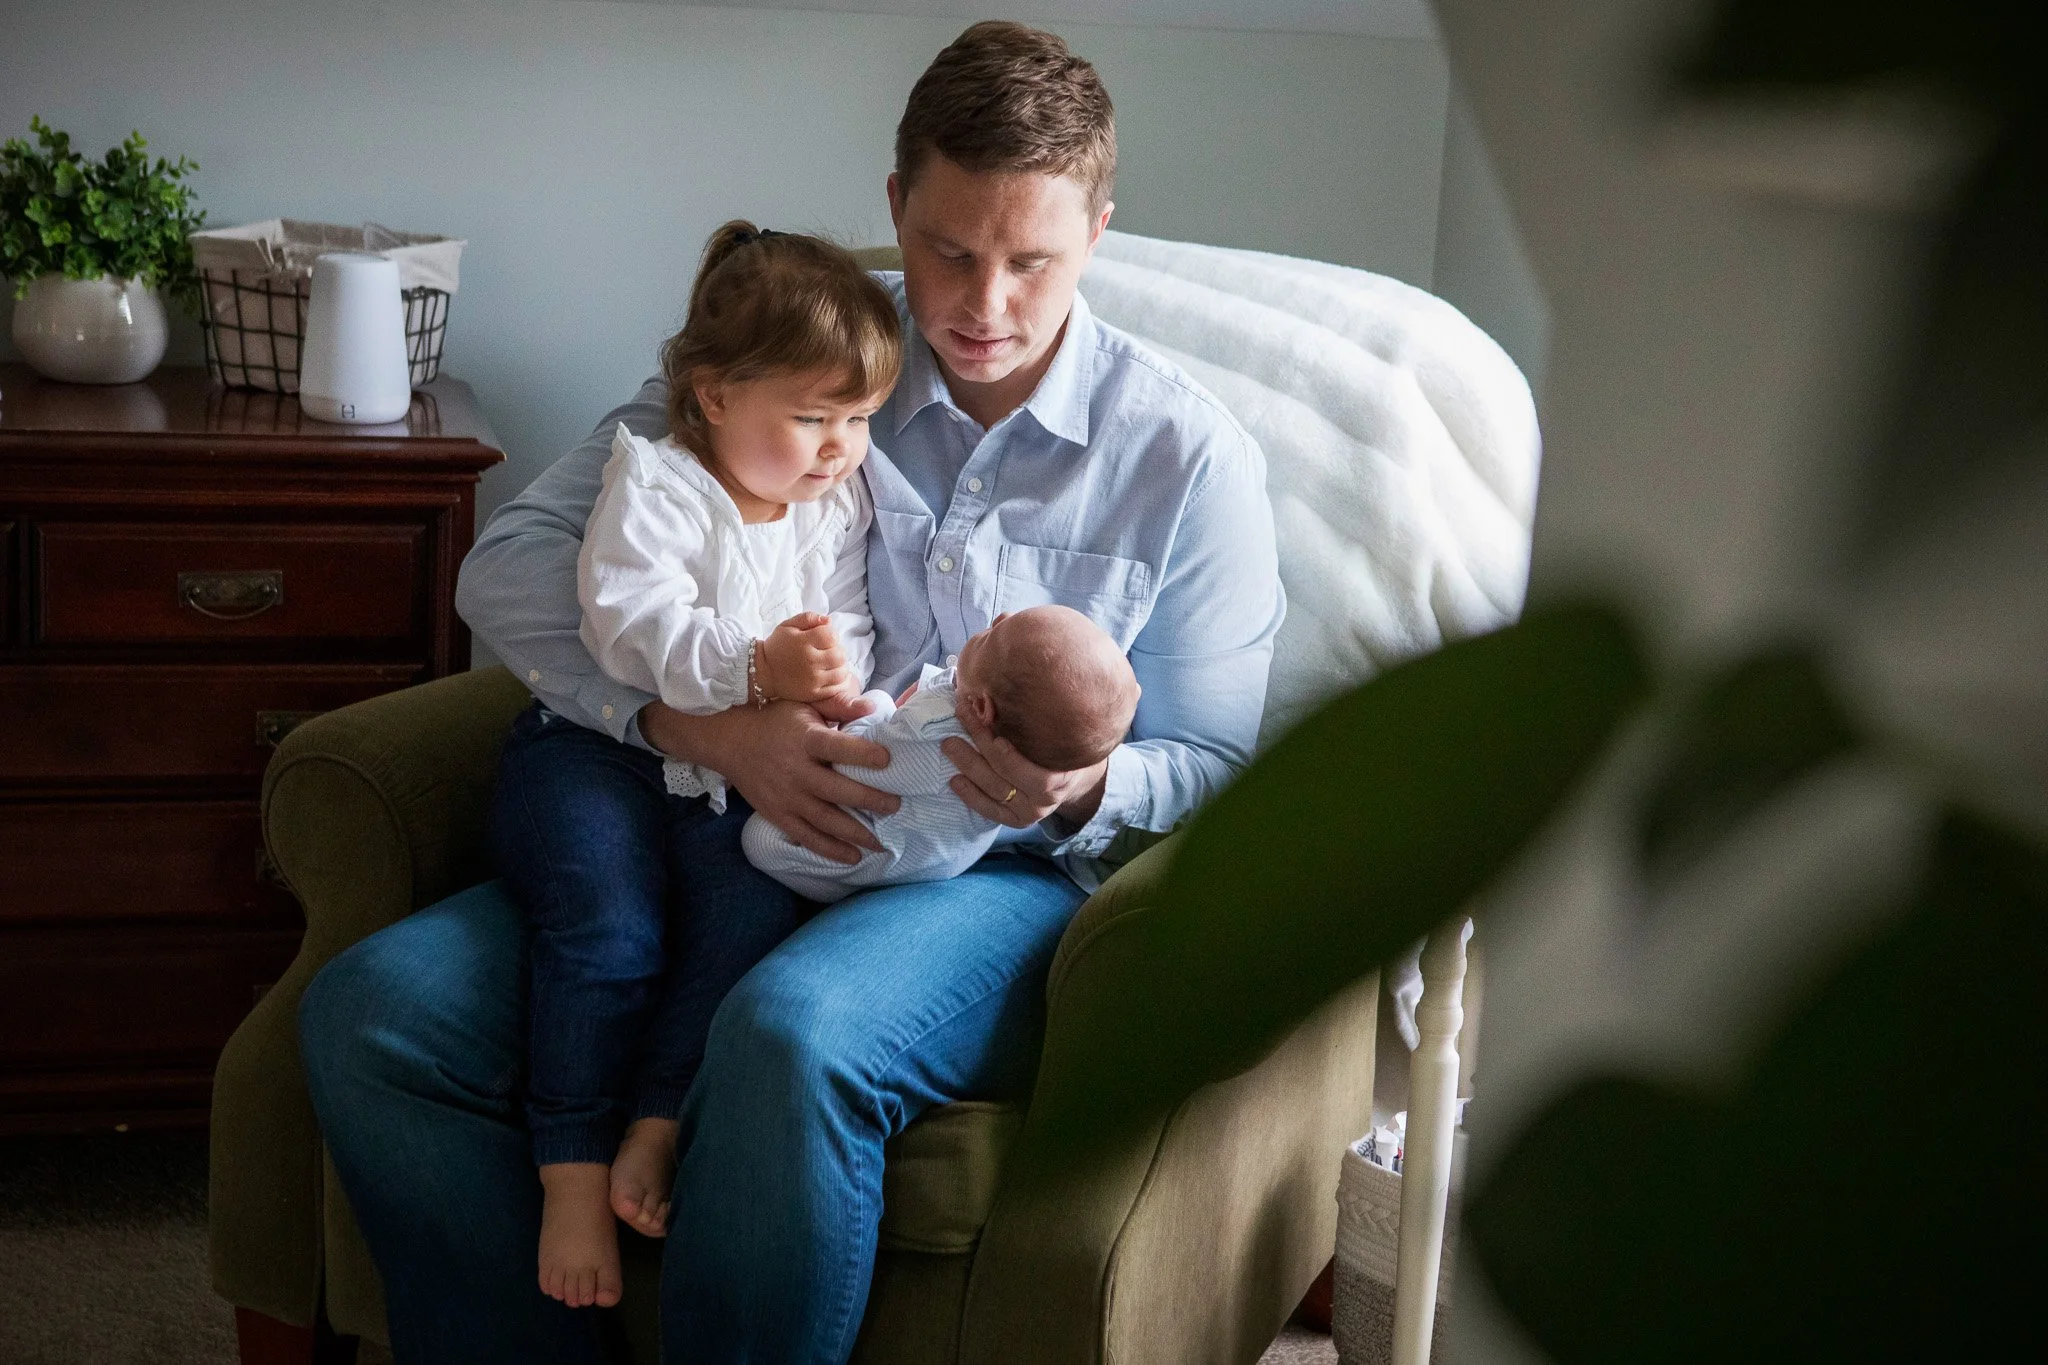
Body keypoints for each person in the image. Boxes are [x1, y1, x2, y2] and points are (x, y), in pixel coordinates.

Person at [298, 20, 1284, 1365]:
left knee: (790, 1032)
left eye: (1031, 260)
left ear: (1098, 232)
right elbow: (519, 570)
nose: (983, 304)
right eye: (947, 250)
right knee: (377, 1015)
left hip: (980, 873)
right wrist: (705, 726)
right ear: (895, 208)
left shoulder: (1187, 460)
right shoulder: (799, 346)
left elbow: (1220, 758)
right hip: (706, 812)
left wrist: (1082, 781)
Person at [502, 222, 901, 1310]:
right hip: (593, 757)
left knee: (746, 922)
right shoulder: (659, 479)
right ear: (715, 396)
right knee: (607, 928)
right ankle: (572, 1169)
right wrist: (752, 664)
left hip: (724, 782)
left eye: (858, 419)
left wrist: (834, 688)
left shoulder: (835, 501)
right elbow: (623, 626)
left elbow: (851, 620)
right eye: (812, 417)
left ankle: (655, 1124)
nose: (838, 447)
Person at [742, 605, 1142, 902]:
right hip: (944, 848)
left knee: (758, 840)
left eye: (992, 635)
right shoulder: (992, 718)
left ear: (982, 709)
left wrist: (866, 709)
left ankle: (838, 890)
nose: (999, 616)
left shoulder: (941, 742)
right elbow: (950, 688)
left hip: (885, 846)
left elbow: (857, 768)